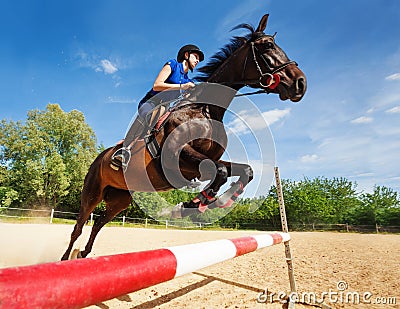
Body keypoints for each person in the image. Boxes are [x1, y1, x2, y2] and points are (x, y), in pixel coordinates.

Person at [110, 44, 205, 170]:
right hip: (151, 103)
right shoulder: (172, 64)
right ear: (186, 55)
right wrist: (182, 87)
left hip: (166, 107)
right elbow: (157, 85)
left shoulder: (188, 79)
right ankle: (125, 149)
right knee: (156, 111)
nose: (197, 60)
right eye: (196, 56)